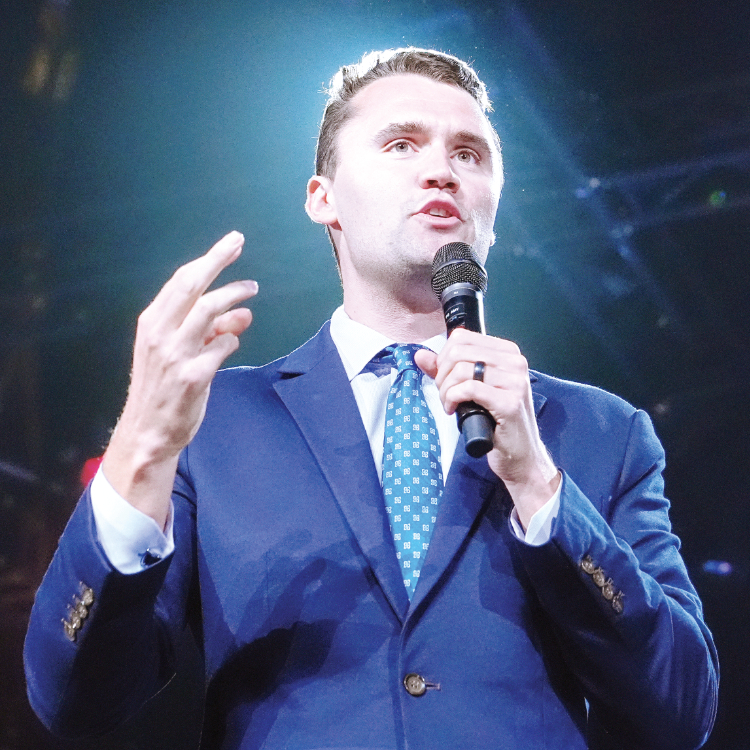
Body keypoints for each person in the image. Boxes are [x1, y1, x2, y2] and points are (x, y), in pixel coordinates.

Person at [25, 48, 718, 750]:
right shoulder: (216, 423)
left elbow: (681, 710)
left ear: (492, 210)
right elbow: (74, 700)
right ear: (323, 198)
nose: (442, 170)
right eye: (401, 144)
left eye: (470, 154)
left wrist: (540, 486)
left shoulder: (601, 432)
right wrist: (141, 450)